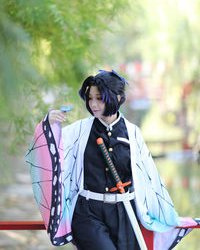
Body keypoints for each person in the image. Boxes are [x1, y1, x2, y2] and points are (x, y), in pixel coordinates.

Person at [26, 70, 199, 250]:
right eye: (90, 98)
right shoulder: (79, 131)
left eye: (99, 98)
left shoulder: (133, 133)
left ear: (116, 98)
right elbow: (49, 153)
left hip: (125, 212)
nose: (93, 104)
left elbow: (150, 178)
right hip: (88, 213)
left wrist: (166, 214)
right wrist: (48, 123)